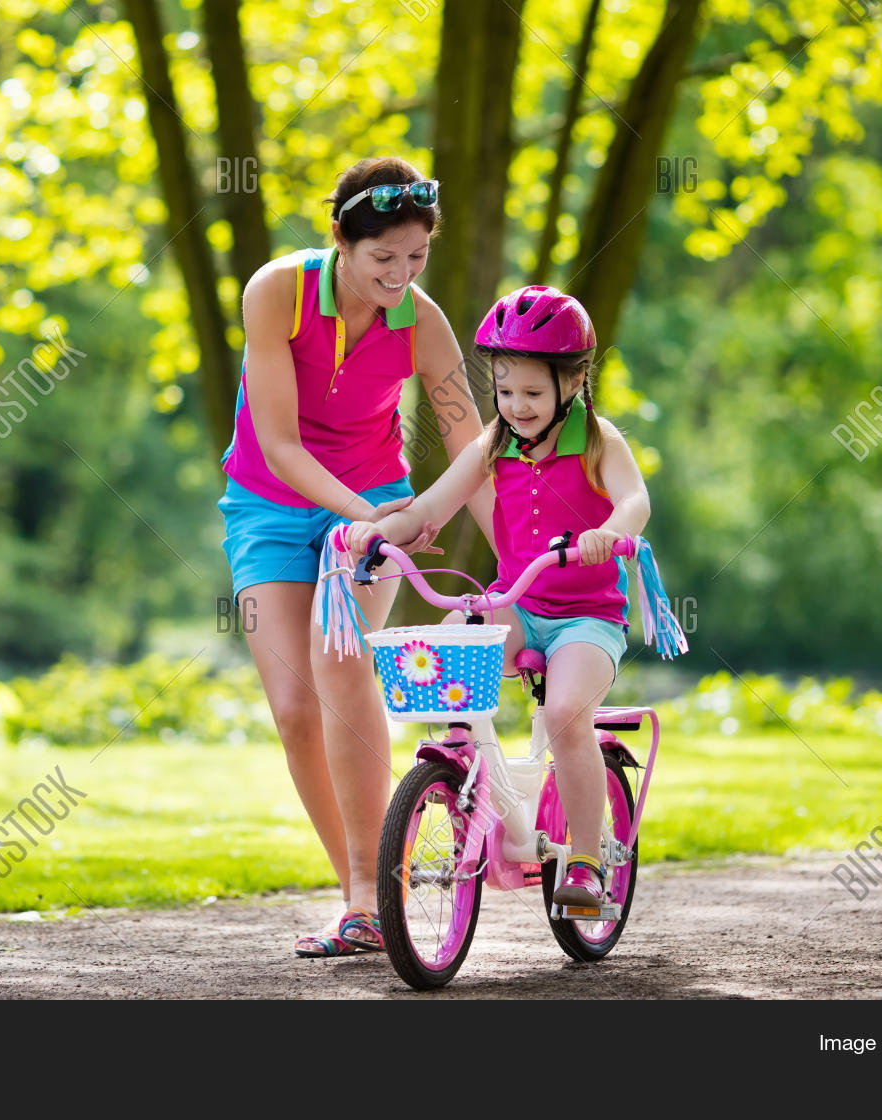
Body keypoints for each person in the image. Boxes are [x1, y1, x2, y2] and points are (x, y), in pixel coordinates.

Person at [219, 157, 492, 955]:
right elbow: (279, 443)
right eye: (383, 258)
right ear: (340, 240)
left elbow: (471, 445)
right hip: (270, 507)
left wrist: (518, 552)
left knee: (338, 662)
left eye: (417, 257)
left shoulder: (422, 322)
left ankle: (369, 902)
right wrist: (370, 517)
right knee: (294, 709)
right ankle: (366, 894)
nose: (401, 275)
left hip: (373, 501)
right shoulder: (276, 292)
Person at [344, 285, 651, 911]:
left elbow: (635, 500)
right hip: (517, 604)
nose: (517, 406)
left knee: (565, 714)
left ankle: (586, 862)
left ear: (574, 381)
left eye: (533, 393)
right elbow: (430, 507)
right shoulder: (493, 444)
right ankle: (463, 772)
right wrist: (379, 533)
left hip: (587, 619)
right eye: (505, 391)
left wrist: (609, 533)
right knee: (450, 652)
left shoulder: (600, 441)